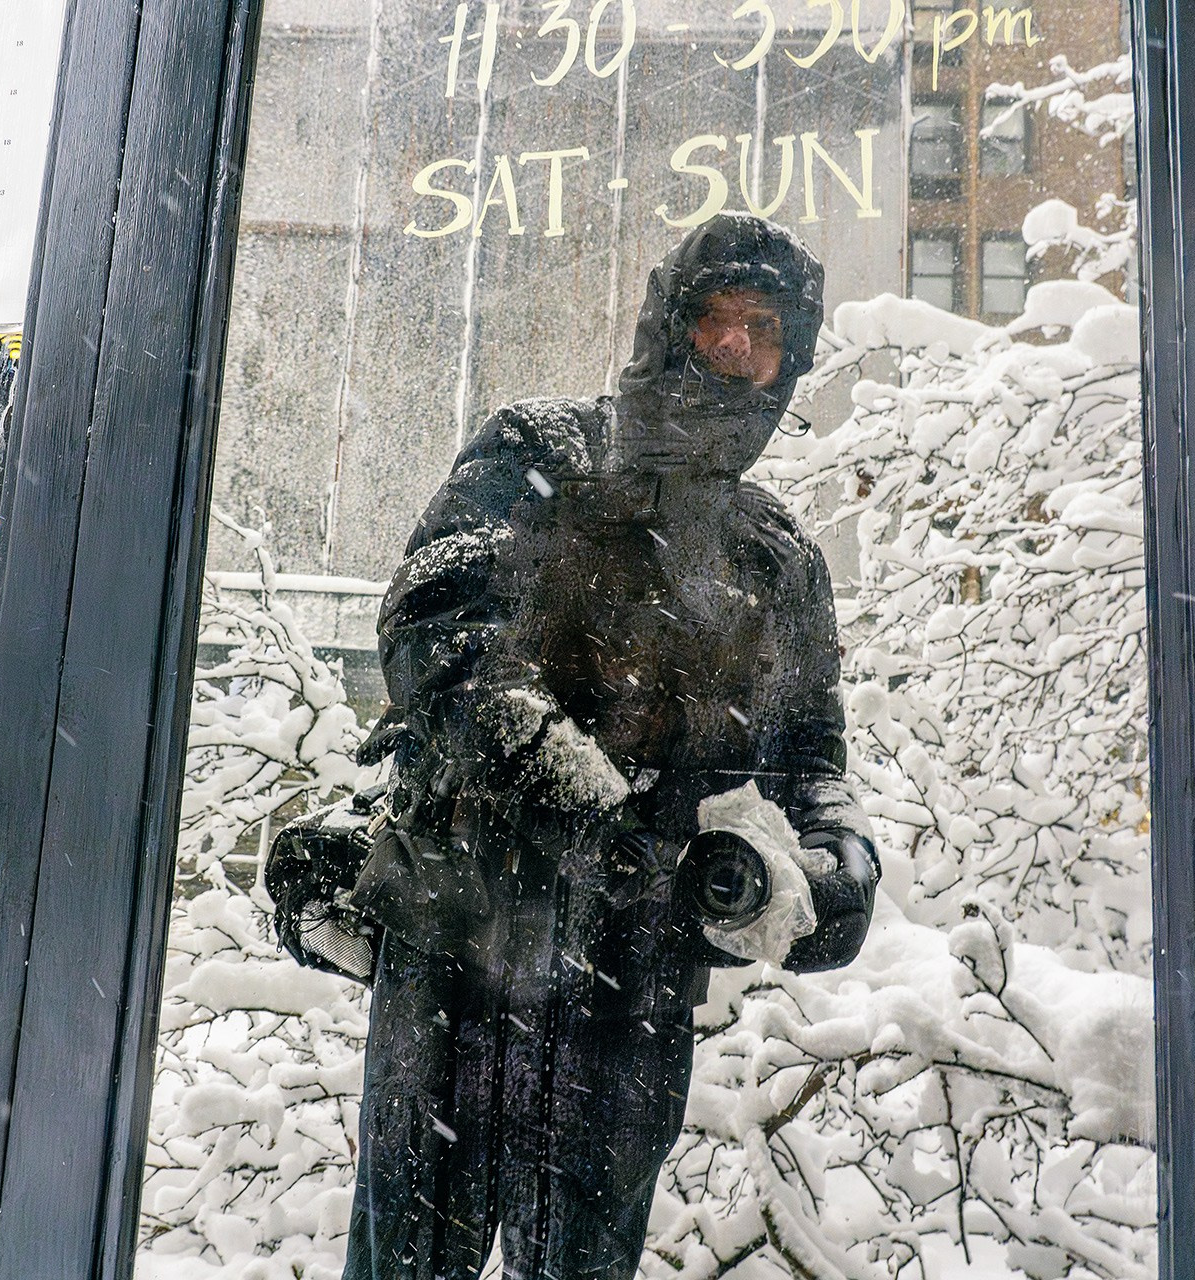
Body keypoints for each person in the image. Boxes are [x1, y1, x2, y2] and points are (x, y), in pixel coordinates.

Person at [327, 214, 877, 1280]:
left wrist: (832, 877)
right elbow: (439, 633)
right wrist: (587, 801)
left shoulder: (776, 558)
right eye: (713, 316)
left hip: (631, 993)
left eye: (763, 329)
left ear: (789, 361)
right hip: (459, 948)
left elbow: (813, 767)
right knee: (406, 1261)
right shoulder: (537, 452)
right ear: (667, 325)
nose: (734, 344)